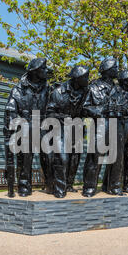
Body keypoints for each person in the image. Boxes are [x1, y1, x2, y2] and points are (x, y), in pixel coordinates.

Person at [3, 58, 53, 197]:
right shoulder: (19, 89)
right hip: (26, 125)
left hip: (44, 125)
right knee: (25, 157)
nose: (46, 71)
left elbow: (53, 106)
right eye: (43, 68)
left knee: (49, 156)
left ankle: (51, 184)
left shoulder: (48, 88)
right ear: (35, 71)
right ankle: (24, 186)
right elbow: (10, 109)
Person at [47, 65, 90, 198]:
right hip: (60, 127)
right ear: (77, 79)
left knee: (75, 159)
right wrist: (63, 118)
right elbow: (49, 113)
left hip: (76, 128)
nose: (88, 79)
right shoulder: (58, 92)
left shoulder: (85, 92)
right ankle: (59, 189)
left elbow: (86, 108)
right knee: (62, 158)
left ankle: (69, 184)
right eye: (85, 77)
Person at [81, 57, 119, 198]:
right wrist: (100, 110)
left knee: (116, 157)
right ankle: (90, 186)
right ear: (108, 70)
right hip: (100, 124)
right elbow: (84, 107)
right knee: (95, 157)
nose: (117, 70)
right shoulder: (93, 87)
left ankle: (113, 186)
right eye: (115, 68)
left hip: (116, 124)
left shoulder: (118, 88)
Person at [101, 70, 128, 195]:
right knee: (117, 157)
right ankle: (114, 186)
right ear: (125, 81)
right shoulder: (114, 92)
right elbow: (110, 108)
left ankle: (111, 184)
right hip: (118, 125)